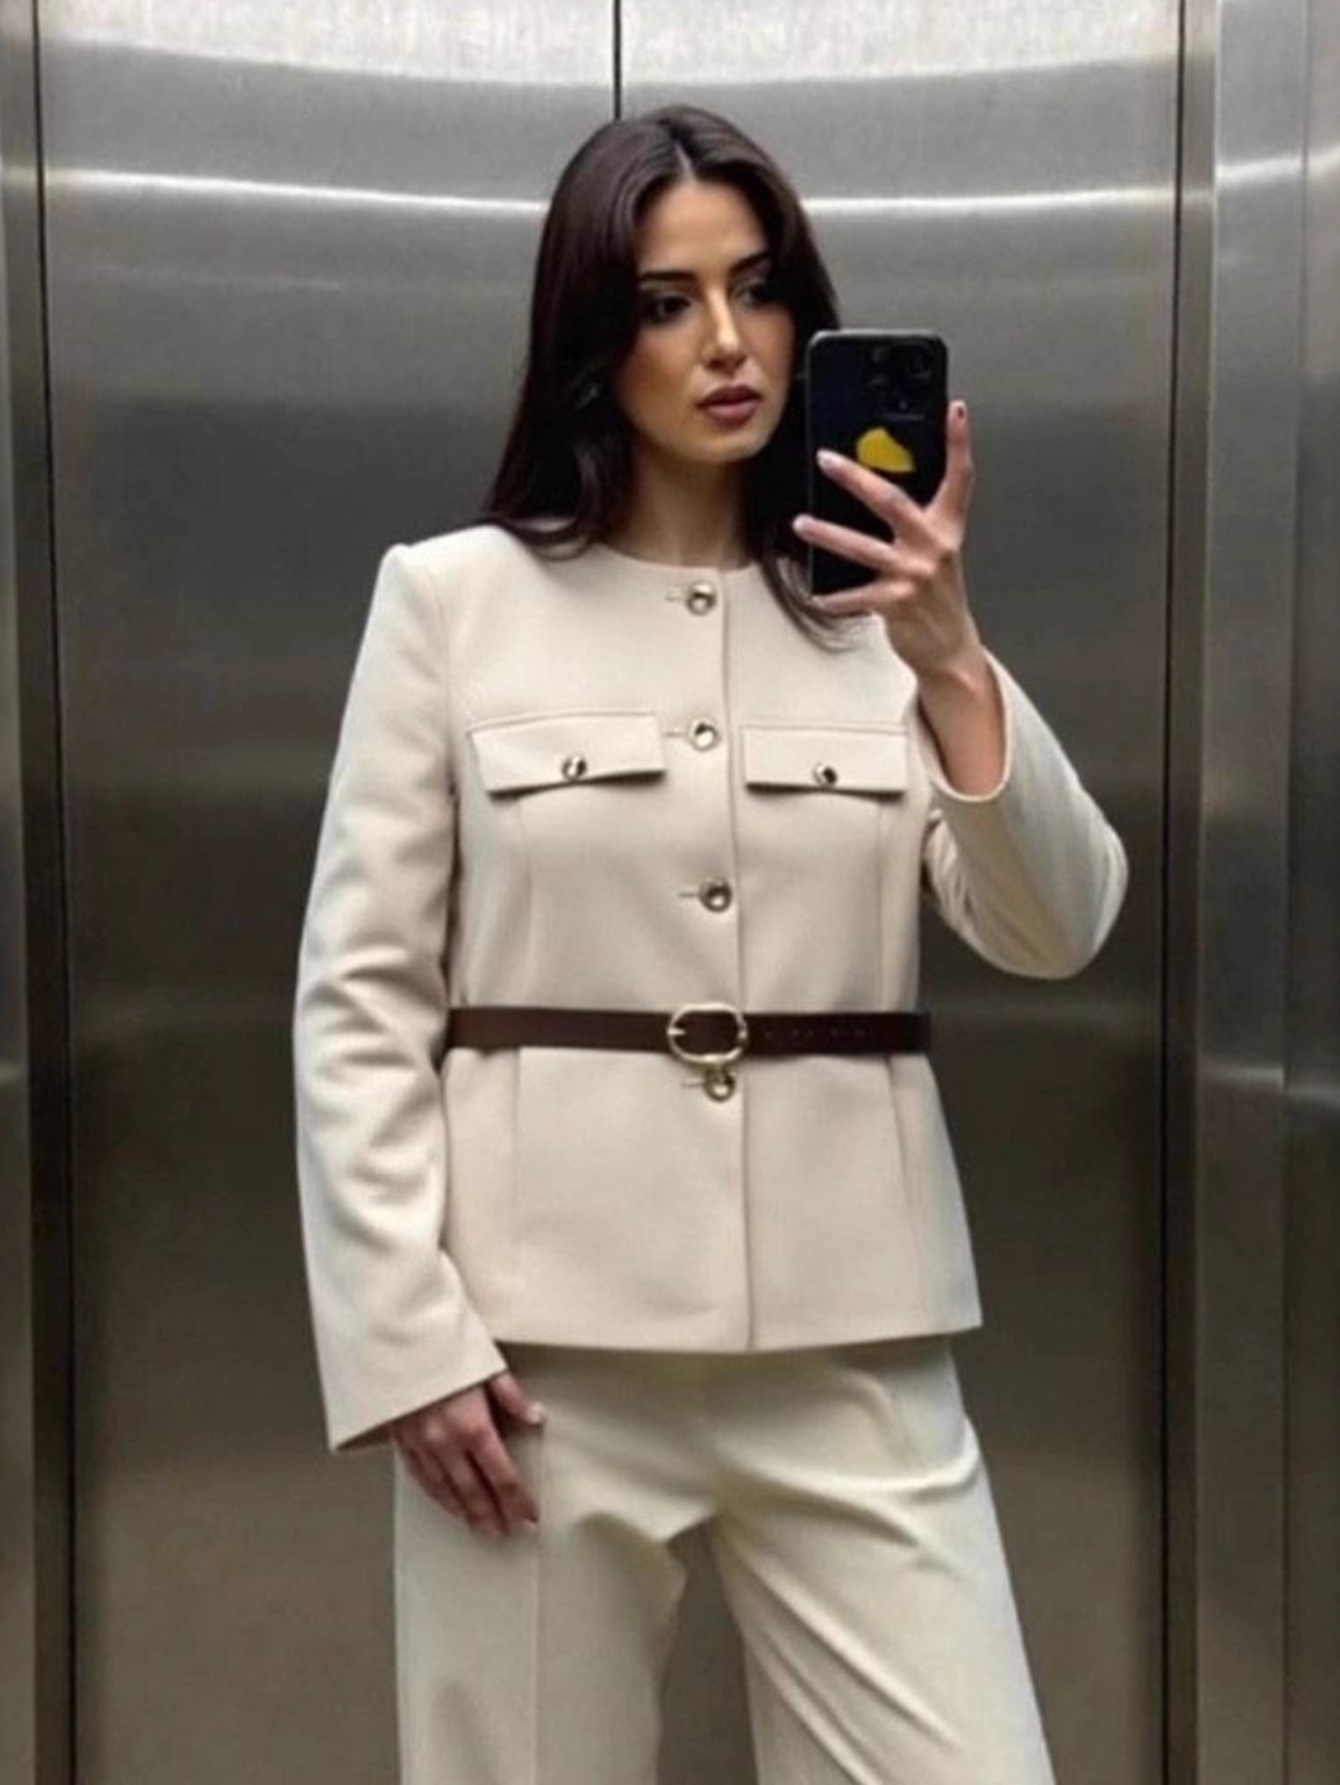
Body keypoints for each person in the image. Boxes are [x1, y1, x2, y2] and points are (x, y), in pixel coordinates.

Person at [292, 101, 1127, 1785]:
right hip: (532, 1362)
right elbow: (362, 995)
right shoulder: (450, 601)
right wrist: (404, 1336)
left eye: (757, 288)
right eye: (667, 303)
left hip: (854, 1337)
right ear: (592, 341)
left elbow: (1057, 924)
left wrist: (950, 650)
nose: (728, 342)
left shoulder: (878, 618)